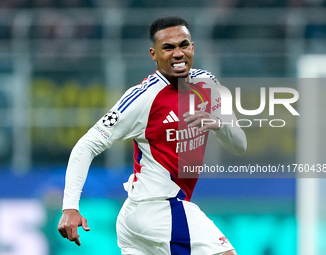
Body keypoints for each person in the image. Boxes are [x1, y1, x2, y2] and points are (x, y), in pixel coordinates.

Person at [58, 16, 247, 255]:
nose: (178, 53)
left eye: (183, 45)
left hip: (140, 216)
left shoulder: (207, 83)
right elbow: (87, 145)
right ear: (153, 54)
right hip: (159, 206)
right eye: (168, 48)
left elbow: (239, 145)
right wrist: (70, 207)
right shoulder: (142, 98)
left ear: (192, 47)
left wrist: (218, 124)